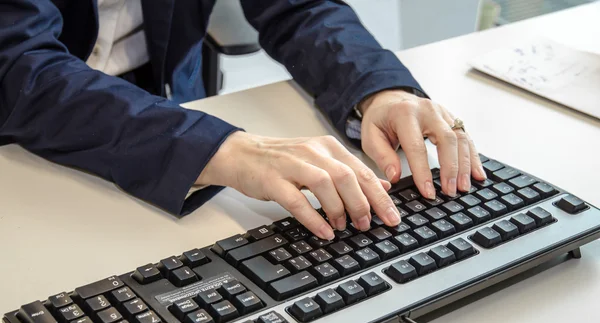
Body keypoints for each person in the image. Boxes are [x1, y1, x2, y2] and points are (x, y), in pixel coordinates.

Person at [0, 0, 486, 240]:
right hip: (22, 143)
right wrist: (216, 146)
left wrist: (378, 89)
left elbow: (299, 7)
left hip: (166, 104)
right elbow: (17, 63)